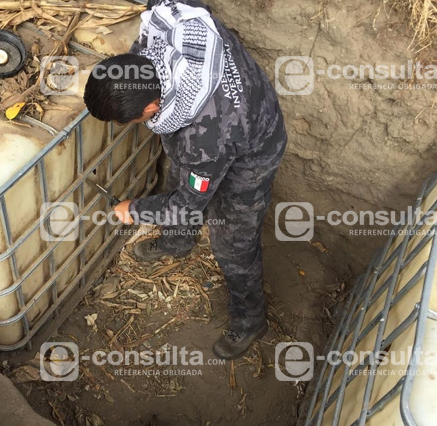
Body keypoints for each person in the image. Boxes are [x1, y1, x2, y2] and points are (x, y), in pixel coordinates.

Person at [83, 0, 287, 359]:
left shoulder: (204, 138)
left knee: (233, 242)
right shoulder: (176, 24)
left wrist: (136, 208)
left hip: (251, 151)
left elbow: (187, 202)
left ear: (150, 108)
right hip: (225, 125)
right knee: (179, 174)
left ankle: (251, 320)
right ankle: (178, 243)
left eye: (127, 121)